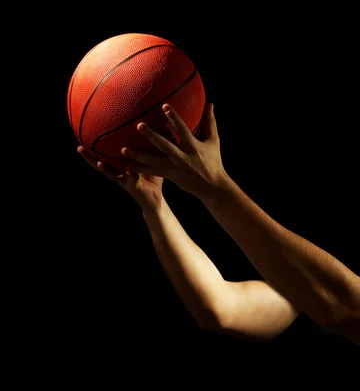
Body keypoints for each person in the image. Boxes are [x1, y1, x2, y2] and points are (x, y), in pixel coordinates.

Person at [77, 102, 360, 347]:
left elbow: (342, 306)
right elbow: (221, 307)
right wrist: (155, 206)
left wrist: (216, 188)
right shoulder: (302, 296)